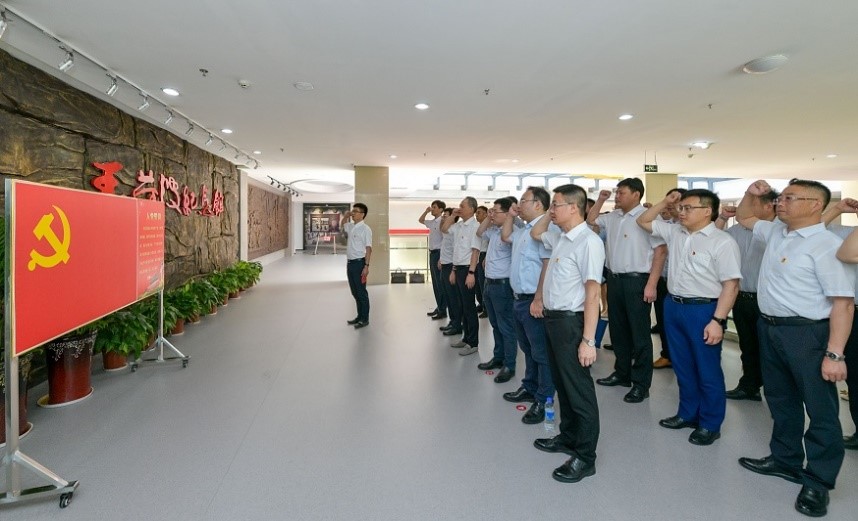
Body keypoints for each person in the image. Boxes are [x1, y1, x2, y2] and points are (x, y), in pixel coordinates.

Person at [735, 179, 854, 518]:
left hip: (808, 334)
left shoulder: (825, 245)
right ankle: (785, 459)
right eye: (781, 197)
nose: (780, 203)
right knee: (780, 399)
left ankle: (819, 480)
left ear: (815, 204)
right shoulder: (776, 232)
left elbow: (843, 304)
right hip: (770, 329)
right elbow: (744, 217)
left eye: (790, 198)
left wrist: (835, 354)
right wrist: (751, 194)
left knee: (820, 408)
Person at [637, 189, 741, 446]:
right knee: (682, 365)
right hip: (674, 306)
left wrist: (718, 321)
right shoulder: (675, 232)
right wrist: (666, 200)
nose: (681, 212)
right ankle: (687, 413)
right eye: (680, 207)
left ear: (707, 211)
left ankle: (710, 424)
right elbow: (643, 220)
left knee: (707, 369)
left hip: (704, 310)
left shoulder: (722, 242)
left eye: (688, 208)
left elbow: (731, 285)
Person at [530, 183, 604, 484]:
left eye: (556, 204)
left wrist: (588, 340)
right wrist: (549, 215)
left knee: (578, 389)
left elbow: (593, 293)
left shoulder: (588, 242)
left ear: (574, 207)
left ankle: (585, 457)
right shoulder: (562, 237)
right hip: (554, 321)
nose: (551, 210)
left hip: (572, 324)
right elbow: (537, 233)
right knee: (562, 384)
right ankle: (569, 437)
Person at [587, 178, 666, 404]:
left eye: (621, 192)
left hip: (637, 281)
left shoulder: (648, 218)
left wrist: (651, 284)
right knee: (619, 330)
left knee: (639, 335)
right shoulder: (613, 217)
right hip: (615, 279)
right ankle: (622, 373)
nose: (617, 196)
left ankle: (641, 384)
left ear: (636, 194)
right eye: (617, 192)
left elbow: (661, 252)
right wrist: (600, 200)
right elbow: (591, 219)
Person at [501, 187, 556, 424]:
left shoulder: (546, 230)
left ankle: (544, 400)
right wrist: (511, 215)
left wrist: (539, 298)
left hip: (534, 300)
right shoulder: (523, 231)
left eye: (523, 200)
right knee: (528, 349)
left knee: (541, 353)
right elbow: (505, 236)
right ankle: (530, 387)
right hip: (519, 299)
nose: (519, 204)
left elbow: (547, 265)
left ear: (538, 205)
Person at [722, 190, 778, 402]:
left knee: (770, 351)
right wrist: (722, 218)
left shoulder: (780, 231)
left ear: (768, 206)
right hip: (742, 298)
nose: (744, 209)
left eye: (751, 204)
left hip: (768, 301)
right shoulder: (736, 231)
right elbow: (713, 239)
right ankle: (749, 386)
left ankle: (776, 394)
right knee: (747, 346)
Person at [823, 198, 858, 451]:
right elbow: (815, 230)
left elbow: (846, 255)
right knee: (855, 379)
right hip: (855, 314)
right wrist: (837, 209)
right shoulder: (848, 234)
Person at [475, 197, 517, 382]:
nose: (491, 214)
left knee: (506, 327)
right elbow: (479, 232)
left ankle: (509, 364)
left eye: (495, 211)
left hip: (503, 286)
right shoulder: (493, 231)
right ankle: (498, 357)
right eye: (490, 211)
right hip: (489, 283)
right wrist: (489, 217)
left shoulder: (513, 233)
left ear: (507, 214)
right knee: (495, 324)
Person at [441, 197, 481, 356]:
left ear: (471, 209)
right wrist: (452, 215)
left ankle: (473, 343)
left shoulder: (475, 227)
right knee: (462, 306)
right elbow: (444, 229)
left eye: (462, 206)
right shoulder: (458, 226)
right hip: (457, 269)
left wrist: (471, 273)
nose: (460, 208)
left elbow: (475, 251)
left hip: (468, 270)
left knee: (469, 307)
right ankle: (466, 338)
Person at [651, 187, 686, 369]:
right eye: (669, 201)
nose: (671, 205)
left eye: (676, 202)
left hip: (685, 286)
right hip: (664, 280)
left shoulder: (690, 228)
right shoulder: (667, 226)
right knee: (664, 320)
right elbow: (644, 221)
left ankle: (682, 357)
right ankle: (667, 355)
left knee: (683, 325)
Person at [341, 203, 372, 329]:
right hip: (350, 263)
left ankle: (365, 319)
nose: (353, 213)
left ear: (362, 214)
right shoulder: (351, 226)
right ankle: (359, 316)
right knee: (355, 292)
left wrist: (366, 266)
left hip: (359, 263)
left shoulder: (365, 229)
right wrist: (346, 216)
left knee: (361, 293)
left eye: (355, 211)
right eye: (352, 211)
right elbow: (342, 225)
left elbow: (369, 248)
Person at [419, 200, 447, 320]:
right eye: (432, 207)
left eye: (434, 207)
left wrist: (442, 257)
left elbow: (445, 240)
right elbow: (421, 220)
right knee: (435, 283)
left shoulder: (442, 221)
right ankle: (439, 306)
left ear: (441, 209)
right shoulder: (432, 222)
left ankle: (443, 309)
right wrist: (426, 211)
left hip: (439, 254)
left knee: (440, 283)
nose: (432, 209)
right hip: (432, 253)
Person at [438, 208, 462, 337]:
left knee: (453, 298)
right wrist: (441, 260)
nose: (443, 218)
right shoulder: (447, 231)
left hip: (451, 266)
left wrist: (453, 269)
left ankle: (457, 325)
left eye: (445, 216)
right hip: (445, 265)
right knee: (448, 296)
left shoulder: (454, 231)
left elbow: (456, 251)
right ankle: (452, 322)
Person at [475, 205, 489, 318]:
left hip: (485, 256)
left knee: (483, 283)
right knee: (478, 284)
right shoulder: (478, 227)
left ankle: (486, 308)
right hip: (477, 255)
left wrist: (486, 258)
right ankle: (481, 303)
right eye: (476, 213)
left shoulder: (489, 227)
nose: (476, 215)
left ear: (485, 214)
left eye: (479, 213)